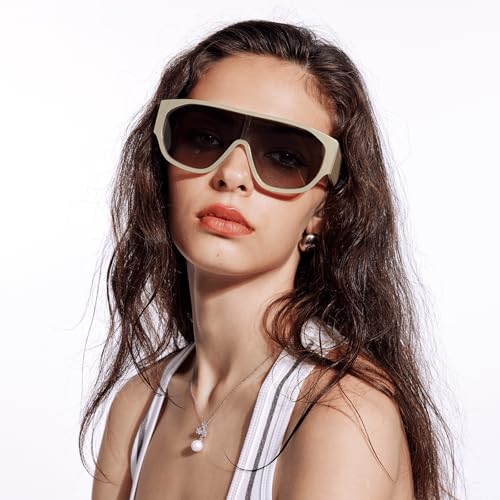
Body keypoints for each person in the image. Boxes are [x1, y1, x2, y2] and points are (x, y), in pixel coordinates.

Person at [80, 19, 457, 500]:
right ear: (161, 164)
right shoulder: (138, 406)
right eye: (204, 137)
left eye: (284, 157)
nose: (232, 174)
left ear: (324, 210)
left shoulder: (340, 413)